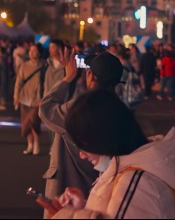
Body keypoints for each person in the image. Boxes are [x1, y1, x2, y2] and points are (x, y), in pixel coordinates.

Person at [40, 89, 175, 219]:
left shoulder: (136, 185)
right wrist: (80, 209)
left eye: (83, 144)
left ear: (101, 138)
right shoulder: (132, 171)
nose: (82, 154)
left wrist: (67, 216)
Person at [39, 48, 124, 208]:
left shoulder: (81, 108)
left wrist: (68, 77)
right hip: (100, 186)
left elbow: (45, 109)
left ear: (91, 76)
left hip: (69, 188)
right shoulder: (119, 109)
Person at [14, 44, 46, 156]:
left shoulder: (44, 66)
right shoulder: (24, 66)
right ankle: (30, 144)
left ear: (39, 53)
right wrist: (16, 96)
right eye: (30, 50)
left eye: (35, 50)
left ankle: (36, 143)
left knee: (35, 122)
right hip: (25, 98)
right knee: (26, 123)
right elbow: (18, 82)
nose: (32, 53)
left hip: (37, 99)